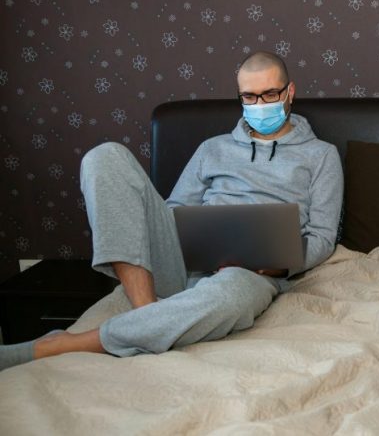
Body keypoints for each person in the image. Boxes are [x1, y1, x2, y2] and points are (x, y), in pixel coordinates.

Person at [0, 51, 343, 370]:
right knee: (104, 157)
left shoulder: (321, 156)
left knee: (231, 294)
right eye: (249, 97)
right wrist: (204, 236)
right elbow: (175, 209)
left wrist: (276, 262)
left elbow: (323, 238)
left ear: (290, 92)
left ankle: (63, 345)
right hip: (185, 259)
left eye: (269, 94)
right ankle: (148, 316)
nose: (259, 105)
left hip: (252, 273)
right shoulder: (213, 148)